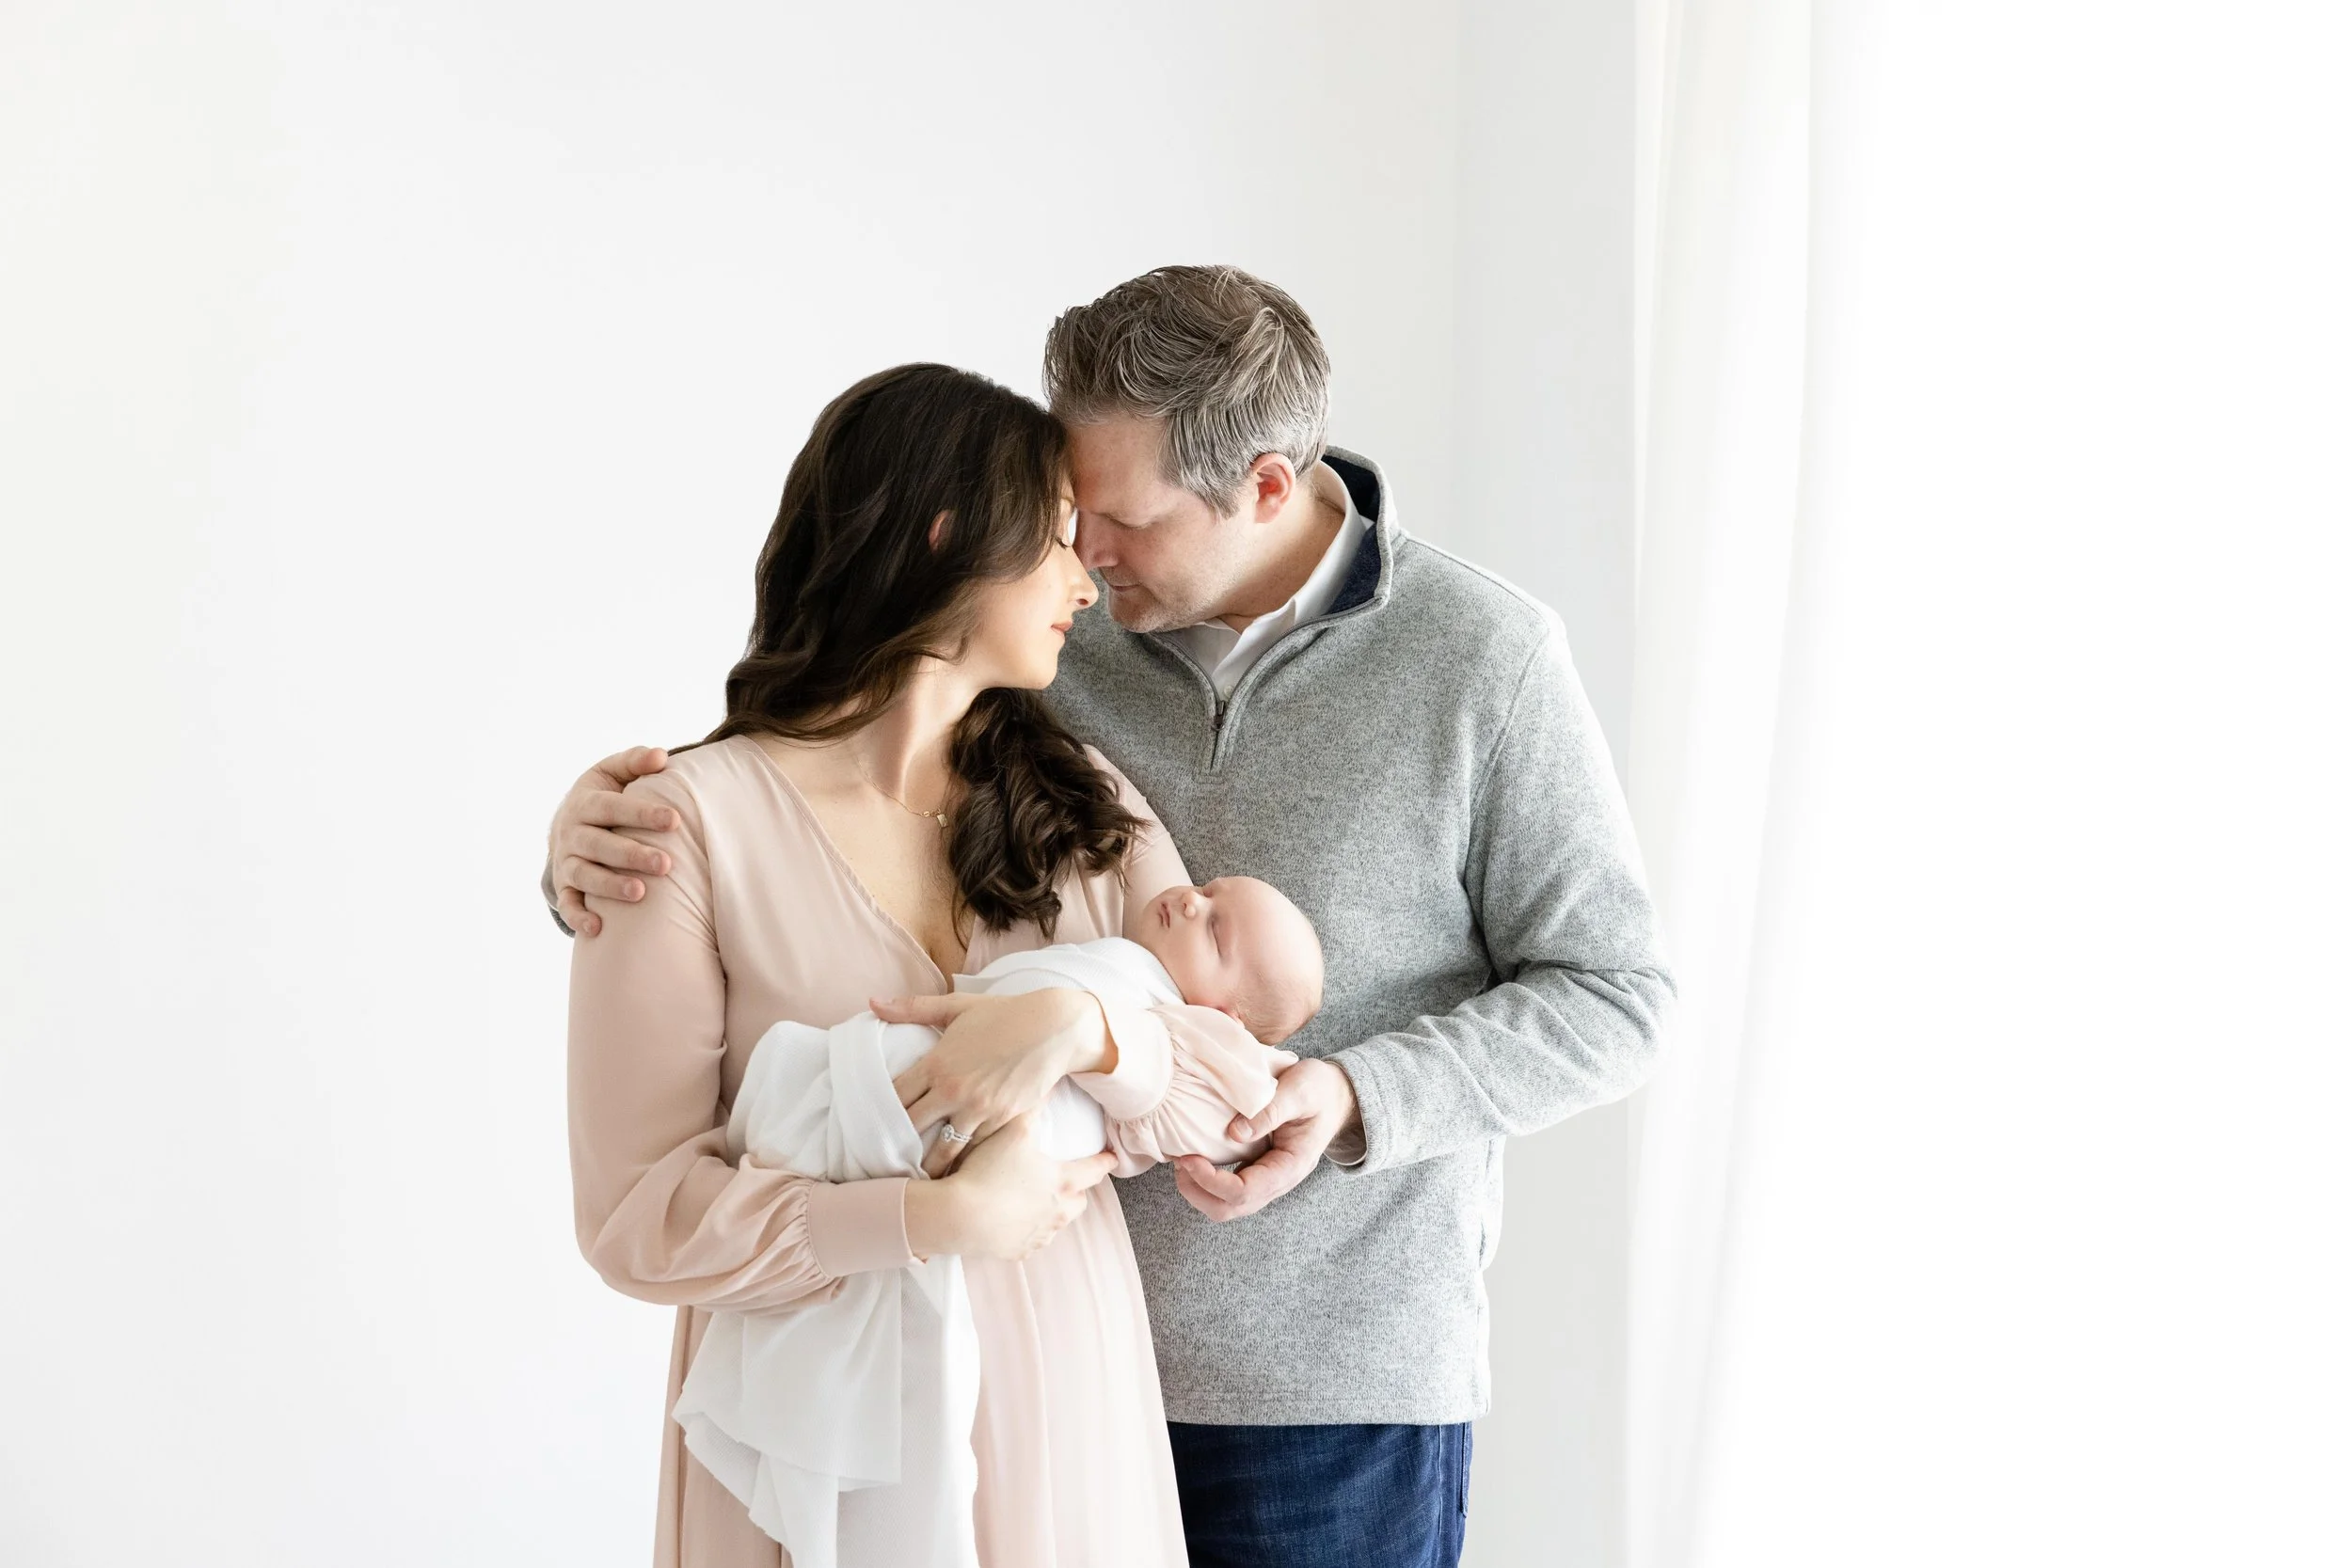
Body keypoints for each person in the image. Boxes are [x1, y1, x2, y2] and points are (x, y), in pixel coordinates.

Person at [552, 267, 1675, 1568]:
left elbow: (1616, 991)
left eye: (1117, 520)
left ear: (1262, 484)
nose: (1085, 558)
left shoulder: (1483, 659)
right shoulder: (1035, 656)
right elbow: (801, 769)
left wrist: (1326, 1087)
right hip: (1024, 1362)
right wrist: (601, 841)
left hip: (1320, 1384)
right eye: (1063, 516)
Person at [566, 360, 1302, 1567]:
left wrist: (1085, 1029)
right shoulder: (683, 825)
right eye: (1059, 540)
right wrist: (925, 1216)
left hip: (1067, 1391)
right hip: (811, 1432)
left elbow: (1235, 1078)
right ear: (950, 536)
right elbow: (636, 1217)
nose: (1085, 578)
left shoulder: (1081, 800)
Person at [677, 879, 1321, 1565]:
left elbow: (1238, 1104)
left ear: (1222, 1014)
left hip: (1028, 1242)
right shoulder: (1131, 943)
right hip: (924, 1169)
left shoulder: (1180, 1035)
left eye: (1216, 930)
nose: (1191, 900)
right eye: (1207, 889)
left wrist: (1083, 1029)